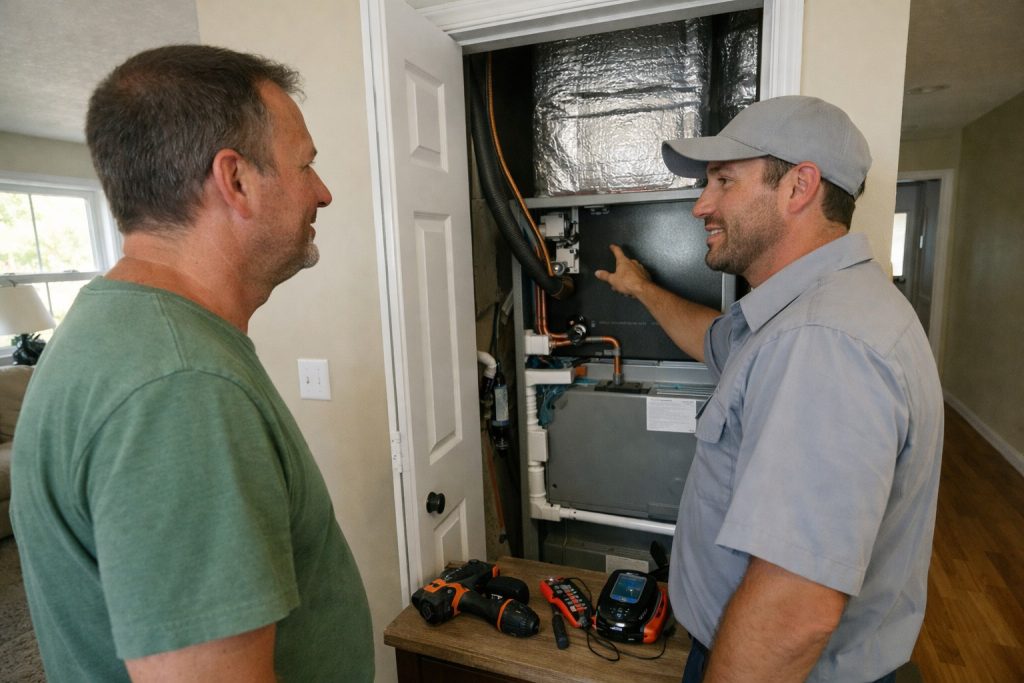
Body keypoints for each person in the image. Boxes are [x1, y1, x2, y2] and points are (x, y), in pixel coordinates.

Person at [10, 45, 373, 682]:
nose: (323, 192)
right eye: (304, 166)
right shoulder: (178, 388)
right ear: (235, 180)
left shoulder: (113, 330)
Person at [595, 96, 943, 682]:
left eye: (724, 181)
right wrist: (642, 290)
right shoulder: (804, 316)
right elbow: (714, 340)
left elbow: (795, 609)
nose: (701, 205)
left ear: (799, 187)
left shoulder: (823, 343)